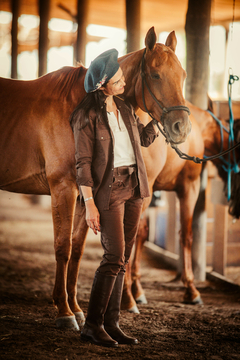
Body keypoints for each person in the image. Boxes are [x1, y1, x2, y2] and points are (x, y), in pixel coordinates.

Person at [70, 49, 159, 347]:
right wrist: (89, 204)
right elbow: (82, 163)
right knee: (113, 256)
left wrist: (156, 122)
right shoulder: (85, 116)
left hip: (133, 187)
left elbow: (140, 142)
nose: (123, 82)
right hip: (108, 192)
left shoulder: (124, 107)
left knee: (124, 258)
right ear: (102, 84)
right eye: (118, 79)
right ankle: (92, 325)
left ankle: (112, 323)